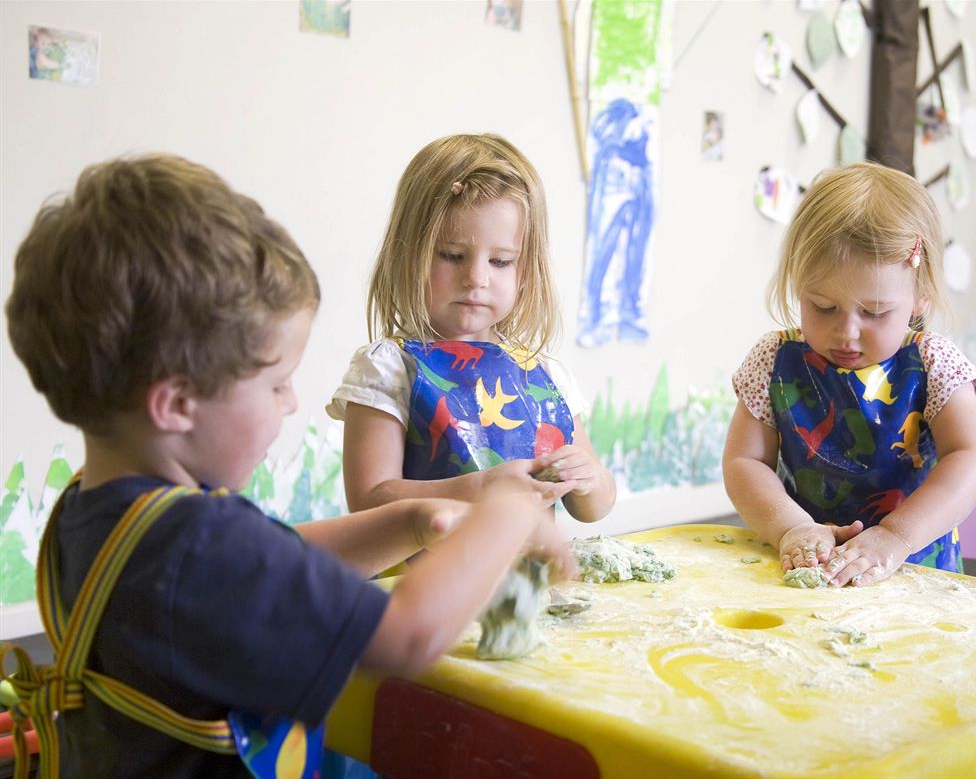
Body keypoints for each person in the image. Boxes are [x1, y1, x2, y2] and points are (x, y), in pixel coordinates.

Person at [1, 154, 574, 778]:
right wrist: (504, 515)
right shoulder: (196, 548)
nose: (292, 401)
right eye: (275, 383)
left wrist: (411, 521)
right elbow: (408, 635)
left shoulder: (97, 511)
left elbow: (269, 558)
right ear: (177, 404)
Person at [722, 162, 976, 588]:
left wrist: (896, 536)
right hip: (806, 567)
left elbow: (972, 457)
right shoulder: (774, 360)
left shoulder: (934, 363)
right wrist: (792, 527)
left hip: (916, 574)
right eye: (823, 307)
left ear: (920, 296)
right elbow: (745, 461)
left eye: (875, 312)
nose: (846, 332)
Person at [327, 133, 616, 524]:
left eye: (500, 261)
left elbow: (593, 508)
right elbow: (369, 502)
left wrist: (588, 479)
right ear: (408, 253)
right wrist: (481, 488)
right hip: (430, 566)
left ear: (526, 270)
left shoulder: (545, 374)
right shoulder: (389, 370)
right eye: (452, 255)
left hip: (531, 567)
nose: (476, 278)